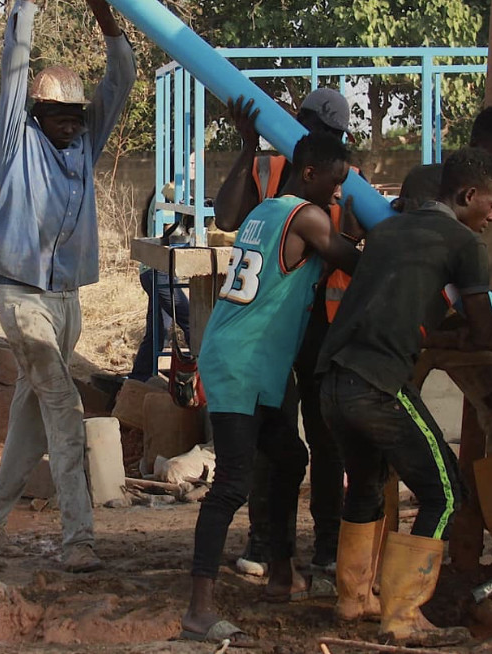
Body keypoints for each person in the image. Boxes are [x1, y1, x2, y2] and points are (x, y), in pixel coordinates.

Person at [318, 148, 492, 647]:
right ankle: (403, 614)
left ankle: (353, 599)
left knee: (366, 485)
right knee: (444, 490)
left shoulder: (389, 232)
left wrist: (453, 337)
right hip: (379, 384)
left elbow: (415, 323)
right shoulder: (463, 244)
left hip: (332, 379)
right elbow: (483, 333)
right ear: (467, 196)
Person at [179, 130, 361, 647]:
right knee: (232, 484)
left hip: (251, 359)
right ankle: (199, 610)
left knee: (289, 455)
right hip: (242, 362)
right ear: (310, 174)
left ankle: (282, 572)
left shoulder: (266, 211)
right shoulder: (307, 217)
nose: (338, 192)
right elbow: (353, 262)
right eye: (335, 181)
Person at [0, 0, 135, 573]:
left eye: (77, 113)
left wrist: (103, 13)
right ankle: (78, 538)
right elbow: (15, 64)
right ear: (37, 111)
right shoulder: (18, 144)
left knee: (30, 421)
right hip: (20, 296)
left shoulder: (86, 144)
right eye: (59, 112)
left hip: (66, 301)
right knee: (64, 407)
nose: (71, 121)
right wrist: (25, 6)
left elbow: (123, 74)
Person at [215, 87, 356, 574]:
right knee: (271, 442)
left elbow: (353, 251)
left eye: (330, 135)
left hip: (320, 324)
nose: (319, 140)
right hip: (270, 328)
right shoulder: (268, 168)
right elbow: (227, 217)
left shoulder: (345, 180)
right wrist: (247, 145)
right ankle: (267, 543)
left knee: (323, 440)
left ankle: (327, 546)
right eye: (315, 131)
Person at [395, 107, 492, 563]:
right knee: (387, 424)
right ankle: (382, 543)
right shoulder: (426, 183)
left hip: (472, 330)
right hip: (416, 328)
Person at [129, 184, 192, 382]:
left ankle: (138, 379)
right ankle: (205, 375)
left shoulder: (163, 192)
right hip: (159, 271)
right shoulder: (168, 195)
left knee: (157, 331)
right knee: (191, 322)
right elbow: (172, 231)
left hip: (153, 271)